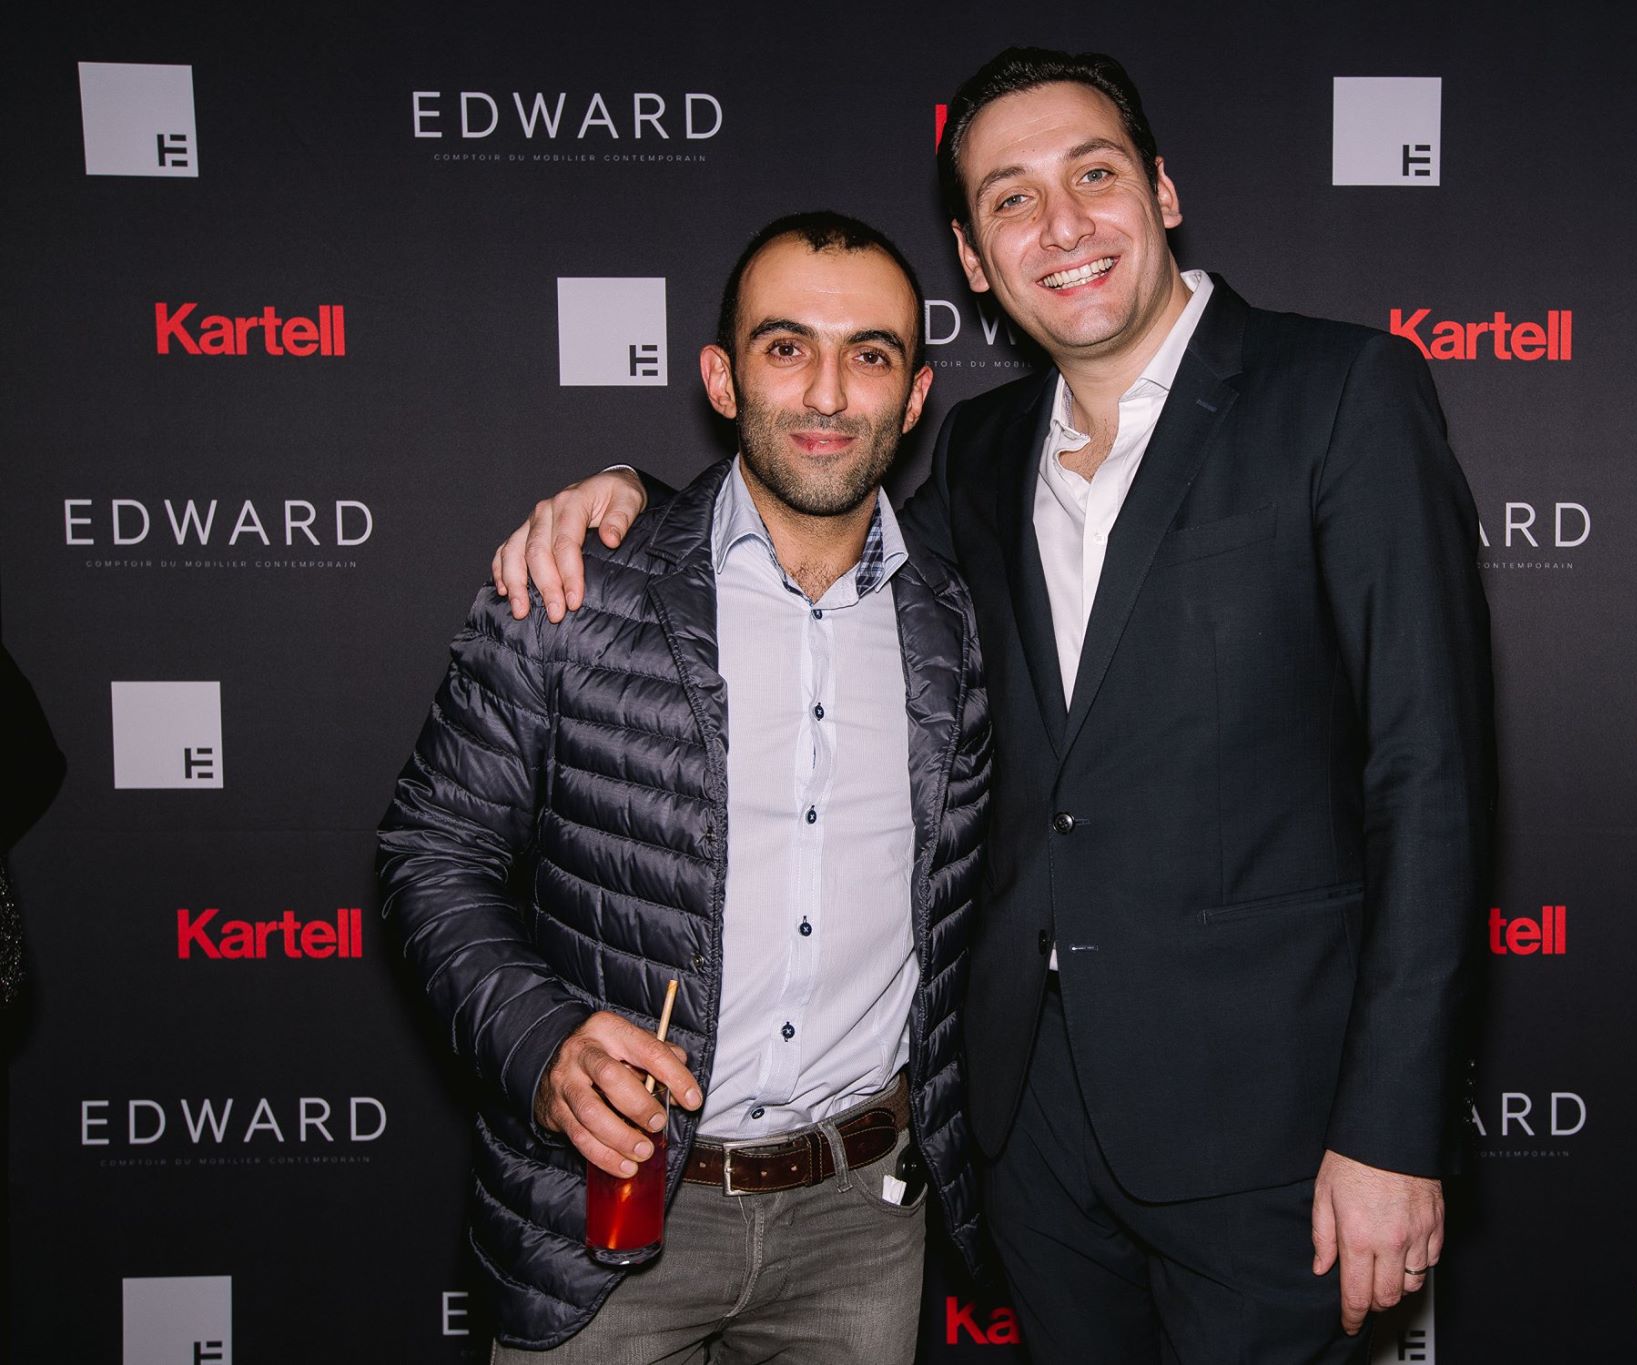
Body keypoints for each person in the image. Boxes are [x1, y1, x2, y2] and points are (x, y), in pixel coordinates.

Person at [494, 47, 1494, 1364]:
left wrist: (1393, 1131)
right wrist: (634, 496)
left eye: (1094, 175)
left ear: (1162, 191)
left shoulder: (1342, 393)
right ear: (972, 259)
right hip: (1030, 1136)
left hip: (1275, 1136)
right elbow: (805, 534)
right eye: (1011, 199)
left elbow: (1430, 779)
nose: (1061, 225)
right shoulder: (978, 447)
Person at [377, 211, 989, 1362]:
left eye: (868, 355)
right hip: (603, 1207)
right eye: (784, 347)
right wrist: (542, 1042)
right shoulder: (578, 588)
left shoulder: (951, 627)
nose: (825, 393)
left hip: (859, 1224)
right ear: (720, 377)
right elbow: (432, 851)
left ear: (913, 398)